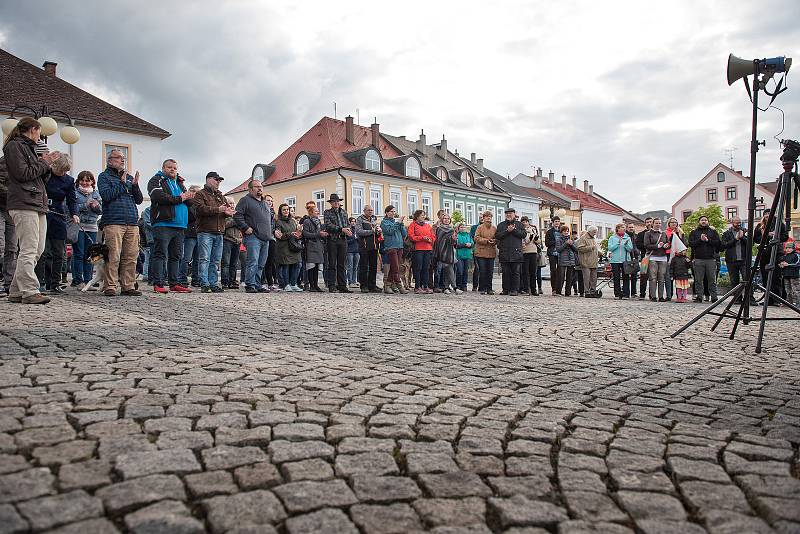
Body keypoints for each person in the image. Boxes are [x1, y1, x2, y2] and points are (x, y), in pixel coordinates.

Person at [3, 117, 62, 304]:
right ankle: (29, 290)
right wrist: (44, 162)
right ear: (33, 129)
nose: (41, 137)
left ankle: (15, 290)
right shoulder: (14, 146)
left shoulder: (30, 148)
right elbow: (23, 174)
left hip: (37, 201)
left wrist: (47, 166)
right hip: (23, 201)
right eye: (40, 132)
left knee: (38, 249)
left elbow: (38, 179)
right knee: (28, 248)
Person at [97, 148, 144, 297]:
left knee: (130, 256)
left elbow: (139, 200)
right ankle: (110, 285)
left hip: (131, 221)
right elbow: (106, 195)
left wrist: (135, 186)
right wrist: (122, 184)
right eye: (118, 158)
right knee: (113, 255)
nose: (122, 160)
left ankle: (128, 285)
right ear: (110, 161)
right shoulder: (104, 177)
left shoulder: (129, 177)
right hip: (113, 221)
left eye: (123, 158)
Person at [147, 159, 193, 294]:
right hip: (163, 223)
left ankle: (174, 283)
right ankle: (158, 283)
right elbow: (158, 196)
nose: (172, 170)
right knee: (160, 254)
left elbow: (187, 201)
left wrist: (189, 197)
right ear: (163, 168)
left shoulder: (179, 182)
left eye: (174, 168)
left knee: (176, 256)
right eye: (169, 167)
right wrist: (181, 198)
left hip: (180, 225)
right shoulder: (156, 180)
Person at [35, 153, 78, 294]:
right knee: (43, 251)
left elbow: (72, 199)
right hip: (43, 213)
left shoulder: (69, 180)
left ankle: (55, 282)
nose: (62, 173)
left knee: (59, 252)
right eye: (60, 170)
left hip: (58, 217)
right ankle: (40, 281)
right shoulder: (45, 175)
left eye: (65, 170)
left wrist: (74, 213)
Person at [193, 172, 233, 293]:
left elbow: (223, 211)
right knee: (204, 258)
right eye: (216, 180)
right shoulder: (200, 194)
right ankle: (204, 283)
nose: (218, 182)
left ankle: (213, 283)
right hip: (205, 231)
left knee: (215, 260)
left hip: (219, 231)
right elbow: (200, 210)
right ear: (208, 179)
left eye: (220, 180)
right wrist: (218, 210)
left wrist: (227, 213)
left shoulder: (221, 195)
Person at [234, 179, 274, 293]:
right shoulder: (245, 200)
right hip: (253, 237)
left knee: (261, 263)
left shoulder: (265, 203)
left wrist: (270, 231)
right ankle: (250, 284)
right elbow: (237, 216)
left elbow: (270, 220)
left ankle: (257, 284)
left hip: (266, 237)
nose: (260, 188)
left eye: (261, 186)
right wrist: (245, 227)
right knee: (253, 261)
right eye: (257, 187)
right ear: (250, 189)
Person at [71, 171, 102, 289]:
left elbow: (101, 210)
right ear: (78, 181)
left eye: (87, 180)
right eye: (82, 180)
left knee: (90, 254)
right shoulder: (74, 193)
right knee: (79, 253)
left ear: (92, 182)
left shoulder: (96, 194)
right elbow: (70, 208)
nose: (84, 183)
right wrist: (85, 205)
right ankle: (79, 281)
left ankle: (88, 281)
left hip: (92, 226)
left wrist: (96, 207)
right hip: (79, 225)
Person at [688, 215, 721, 303]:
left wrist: (707, 240)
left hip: (711, 259)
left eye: (705, 220)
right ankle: (699, 297)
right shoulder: (694, 232)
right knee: (698, 280)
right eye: (702, 220)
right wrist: (700, 240)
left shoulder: (713, 231)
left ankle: (714, 297)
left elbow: (718, 243)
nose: (704, 221)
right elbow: (691, 243)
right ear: (699, 222)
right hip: (698, 259)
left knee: (712, 279)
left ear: (708, 222)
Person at [323, 193, 352, 293]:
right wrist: (341, 229)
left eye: (337, 201)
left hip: (343, 240)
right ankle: (331, 285)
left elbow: (348, 223)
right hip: (333, 240)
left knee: (342, 264)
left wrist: (348, 230)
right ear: (331, 203)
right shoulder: (327, 212)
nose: (336, 203)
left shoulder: (344, 212)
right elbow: (328, 225)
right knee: (332, 263)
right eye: (334, 201)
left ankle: (342, 285)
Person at [495, 208, 525, 296]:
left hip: (516, 253)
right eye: (507, 214)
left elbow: (523, 234)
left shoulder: (519, 224)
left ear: (514, 214)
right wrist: (507, 231)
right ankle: (505, 289)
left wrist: (514, 230)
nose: (508, 215)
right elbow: (497, 235)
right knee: (505, 272)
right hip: (504, 252)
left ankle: (515, 290)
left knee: (516, 272)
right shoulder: (501, 225)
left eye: (510, 213)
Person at [273, 203, 303, 291]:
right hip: (283, 246)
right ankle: (286, 284)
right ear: (281, 211)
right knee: (286, 265)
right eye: (284, 210)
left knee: (298, 264)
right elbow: (279, 236)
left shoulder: (293, 221)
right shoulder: (278, 222)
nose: (286, 211)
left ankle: (293, 283)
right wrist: (290, 234)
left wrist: (299, 233)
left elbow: (296, 233)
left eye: (287, 209)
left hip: (293, 246)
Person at [380, 205, 407, 294]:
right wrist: (398, 223)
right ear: (387, 212)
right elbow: (390, 231)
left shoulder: (396, 222)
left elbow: (404, 234)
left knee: (394, 267)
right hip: (391, 247)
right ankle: (399, 285)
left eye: (394, 211)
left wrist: (401, 224)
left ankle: (387, 285)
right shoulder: (384, 222)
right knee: (395, 267)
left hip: (399, 246)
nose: (393, 213)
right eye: (391, 211)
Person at [408, 209, 435, 293]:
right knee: (418, 268)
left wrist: (430, 239)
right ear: (417, 216)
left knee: (426, 268)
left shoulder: (428, 226)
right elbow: (411, 236)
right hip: (418, 249)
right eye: (422, 215)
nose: (423, 217)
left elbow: (433, 237)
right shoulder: (413, 225)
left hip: (427, 249)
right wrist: (422, 238)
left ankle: (425, 286)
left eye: (424, 215)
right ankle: (417, 287)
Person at [0, 155, 16, 297]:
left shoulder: (29, 162)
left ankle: (9, 284)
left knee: (12, 248)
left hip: (12, 209)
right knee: (1, 245)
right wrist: (13, 193)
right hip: (2, 205)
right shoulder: (5, 161)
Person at [355, 206, 381, 293]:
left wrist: (378, 231)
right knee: (364, 267)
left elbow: (375, 231)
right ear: (364, 211)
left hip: (374, 246)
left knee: (374, 267)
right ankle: (364, 286)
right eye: (368, 210)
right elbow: (359, 231)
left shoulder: (373, 219)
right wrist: (372, 231)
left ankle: (372, 285)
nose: (370, 211)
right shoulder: (359, 219)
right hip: (364, 246)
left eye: (371, 210)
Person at [302, 205, 326, 292]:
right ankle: (311, 285)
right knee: (311, 267)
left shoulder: (318, 221)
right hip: (311, 246)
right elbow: (306, 234)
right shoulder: (307, 221)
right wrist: (319, 234)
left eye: (318, 211)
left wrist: (323, 235)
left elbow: (319, 234)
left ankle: (316, 285)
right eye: (316, 211)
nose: (318, 212)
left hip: (318, 246)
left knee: (316, 267)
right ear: (311, 212)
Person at [644, 217, 669, 301]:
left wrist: (666, 246)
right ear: (653, 224)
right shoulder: (648, 233)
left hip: (663, 257)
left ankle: (661, 296)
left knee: (661, 277)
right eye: (656, 223)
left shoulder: (663, 234)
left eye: (659, 223)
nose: (658, 224)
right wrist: (657, 246)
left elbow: (668, 243)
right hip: (653, 257)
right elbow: (646, 245)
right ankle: (653, 296)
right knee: (653, 277)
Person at [721, 217, 748, 290]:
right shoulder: (727, 233)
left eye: (739, 222)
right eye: (736, 222)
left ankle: (749, 299)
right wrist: (735, 239)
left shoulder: (745, 231)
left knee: (747, 280)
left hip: (744, 260)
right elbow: (724, 245)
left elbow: (750, 244)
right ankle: (737, 299)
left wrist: (742, 237)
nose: (738, 224)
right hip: (731, 261)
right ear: (732, 223)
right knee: (734, 281)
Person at [607, 224, 633, 299]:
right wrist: (618, 243)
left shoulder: (627, 237)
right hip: (615, 260)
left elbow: (630, 249)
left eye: (624, 228)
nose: (624, 229)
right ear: (618, 229)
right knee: (616, 277)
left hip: (625, 260)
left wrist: (626, 245)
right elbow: (610, 248)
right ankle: (617, 293)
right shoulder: (612, 238)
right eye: (622, 228)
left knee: (626, 277)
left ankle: (626, 294)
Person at [433, 212, 458, 294]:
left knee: (448, 269)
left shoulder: (451, 229)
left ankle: (446, 287)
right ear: (442, 220)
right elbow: (439, 241)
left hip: (450, 252)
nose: (446, 220)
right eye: (445, 218)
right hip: (442, 251)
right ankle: (455, 287)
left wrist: (454, 239)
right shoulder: (440, 229)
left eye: (448, 218)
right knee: (448, 269)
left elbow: (453, 242)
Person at [473, 210, 497, 295]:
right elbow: (476, 238)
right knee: (482, 271)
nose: (489, 218)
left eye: (490, 217)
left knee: (490, 272)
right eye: (487, 216)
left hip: (491, 252)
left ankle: (489, 288)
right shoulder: (479, 227)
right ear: (483, 218)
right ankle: (482, 288)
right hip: (481, 252)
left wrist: (494, 241)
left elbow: (497, 238)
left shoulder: (494, 228)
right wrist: (486, 241)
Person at [221, 198, 242, 289]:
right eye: (230, 203)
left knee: (234, 263)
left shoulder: (238, 214)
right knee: (226, 262)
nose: (232, 205)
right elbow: (224, 225)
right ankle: (225, 281)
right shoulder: (224, 214)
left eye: (233, 203)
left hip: (237, 240)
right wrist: (234, 221)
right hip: (227, 240)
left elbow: (242, 225)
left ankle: (232, 281)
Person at [576, 226, 601, 298]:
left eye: (596, 232)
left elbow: (594, 248)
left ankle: (593, 291)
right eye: (594, 232)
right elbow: (580, 248)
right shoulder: (583, 238)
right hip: (586, 261)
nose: (595, 233)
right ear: (590, 231)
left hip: (593, 261)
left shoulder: (593, 238)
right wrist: (590, 248)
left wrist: (599, 253)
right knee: (586, 278)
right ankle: (587, 292)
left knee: (594, 278)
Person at [664, 217, 685, 301]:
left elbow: (684, 244)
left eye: (675, 222)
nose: (674, 224)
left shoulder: (681, 232)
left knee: (678, 276)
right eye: (672, 222)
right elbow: (666, 243)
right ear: (669, 223)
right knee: (668, 276)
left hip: (679, 256)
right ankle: (669, 295)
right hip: (669, 255)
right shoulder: (665, 233)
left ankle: (679, 295)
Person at [261, 194, 279, 290]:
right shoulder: (261, 211)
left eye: (271, 201)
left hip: (272, 238)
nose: (270, 202)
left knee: (270, 261)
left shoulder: (273, 213)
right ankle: (261, 282)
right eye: (268, 200)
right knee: (262, 261)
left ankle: (270, 283)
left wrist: (276, 231)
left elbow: (275, 226)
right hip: (263, 238)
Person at [555, 224, 578, 296]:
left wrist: (571, 244)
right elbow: (559, 250)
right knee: (561, 277)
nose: (566, 232)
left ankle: (568, 292)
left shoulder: (571, 239)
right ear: (561, 232)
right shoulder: (558, 239)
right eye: (565, 231)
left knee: (570, 277)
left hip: (571, 260)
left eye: (567, 231)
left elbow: (575, 250)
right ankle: (558, 291)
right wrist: (565, 243)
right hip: (562, 260)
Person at [519, 217, 540, 296]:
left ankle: (534, 289)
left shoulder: (533, 229)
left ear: (528, 222)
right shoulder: (521, 231)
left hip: (533, 251)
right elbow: (524, 242)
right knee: (525, 272)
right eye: (523, 222)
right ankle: (526, 289)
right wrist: (530, 239)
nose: (525, 223)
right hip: (525, 252)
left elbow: (538, 241)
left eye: (526, 221)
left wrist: (536, 239)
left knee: (533, 272)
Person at [635, 217, 653, 299]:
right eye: (647, 222)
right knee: (643, 276)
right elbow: (638, 245)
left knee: (653, 277)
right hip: (644, 257)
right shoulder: (641, 234)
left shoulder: (658, 233)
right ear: (645, 223)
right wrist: (648, 245)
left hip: (654, 257)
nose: (649, 223)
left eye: (650, 222)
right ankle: (642, 294)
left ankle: (652, 294)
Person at [544, 215, 562, 295]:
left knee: (560, 272)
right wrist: (556, 242)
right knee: (553, 271)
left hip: (561, 254)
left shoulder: (562, 231)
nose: (557, 223)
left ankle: (559, 290)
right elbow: (547, 243)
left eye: (558, 221)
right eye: (555, 221)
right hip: (552, 253)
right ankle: (554, 289)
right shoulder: (549, 232)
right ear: (553, 223)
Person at [454, 222, 474, 293]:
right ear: (459, 228)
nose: (463, 228)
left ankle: (464, 285)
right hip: (459, 255)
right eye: (461, 227)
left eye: (464, 227)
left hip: (467, 255)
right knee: (460, 271)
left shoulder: (469, 235)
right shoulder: (457, 235)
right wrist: (465, 245)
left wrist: (470, 244)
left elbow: (472, 243)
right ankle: (458, 285)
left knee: (465, 271)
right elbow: (456, 245)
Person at [779, 242, 799, 307]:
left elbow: (798, 264)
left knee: (795, 290)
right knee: (787, 290)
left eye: (790, 248)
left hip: (794, 276)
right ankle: (789, 303)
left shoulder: (796, 255)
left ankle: (797, 303)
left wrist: (788, 265)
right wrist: (781, 265)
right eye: (786, 248)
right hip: (786, 275)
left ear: (793, 248)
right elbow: (782, 264)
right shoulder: (785, 256)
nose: (788, 249)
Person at [346, 216, 360, 288]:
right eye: (352, 221)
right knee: (350, 267)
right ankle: (350, 281)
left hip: (357, 250)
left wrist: (358, 239)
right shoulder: (348, 230)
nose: (353, 223)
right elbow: (346, 241)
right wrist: (353, 239)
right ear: (349, 222)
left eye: (354, 221)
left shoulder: (357, 230)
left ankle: (354, 281)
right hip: (350, 251)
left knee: (355, 267)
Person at [626, 223, 639, 297]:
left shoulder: (636, 236)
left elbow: (639, 245)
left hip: (635, 257)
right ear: (627, 228)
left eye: (632, 227)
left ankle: (634, 292)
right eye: (630, 227)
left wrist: (637, 251)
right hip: (627, 257)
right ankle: (626, 292)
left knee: (634, 276)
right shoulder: (625, 236)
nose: (631, 228)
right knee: (626, 275)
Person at [470, 215, 481, 292]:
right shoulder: (474, 227)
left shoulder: (490, 227)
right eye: (480, 217)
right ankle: (475, 285)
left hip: (486, 251)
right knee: (477, 268)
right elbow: (472, 238)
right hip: (476, 249)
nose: (482, 219)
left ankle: (483, 285)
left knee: (484, 269)